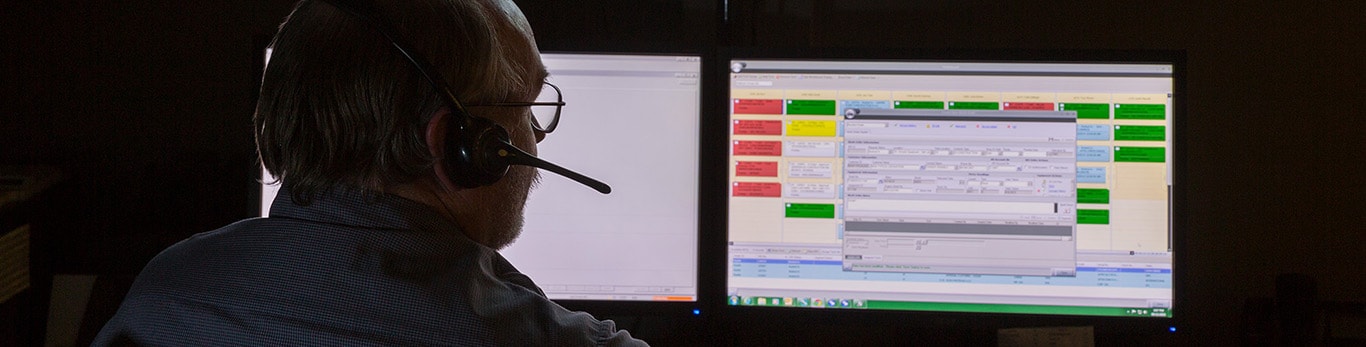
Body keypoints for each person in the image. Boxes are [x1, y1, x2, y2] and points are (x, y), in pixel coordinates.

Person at [93, 0, 646, 345]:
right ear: (464, 147)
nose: (537, 135)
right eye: (526, 109)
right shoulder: (523, 337)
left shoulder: (165, 294)